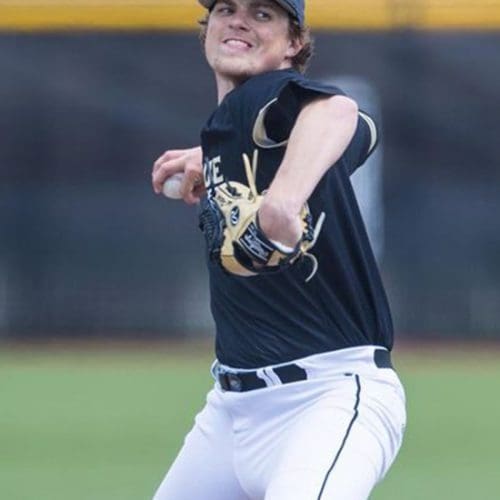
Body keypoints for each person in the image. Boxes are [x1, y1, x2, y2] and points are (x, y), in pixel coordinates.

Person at [151, 0, 406, 498]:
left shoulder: (263, 96)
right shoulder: (232, 128)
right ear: (207, 30)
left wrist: (283, 199)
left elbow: (340, 111)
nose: (239, 20)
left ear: (294, 45)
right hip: (230, 413)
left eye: (263, 14)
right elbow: (364, 132)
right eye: (226, 8)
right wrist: (217, 154)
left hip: (325, 400)